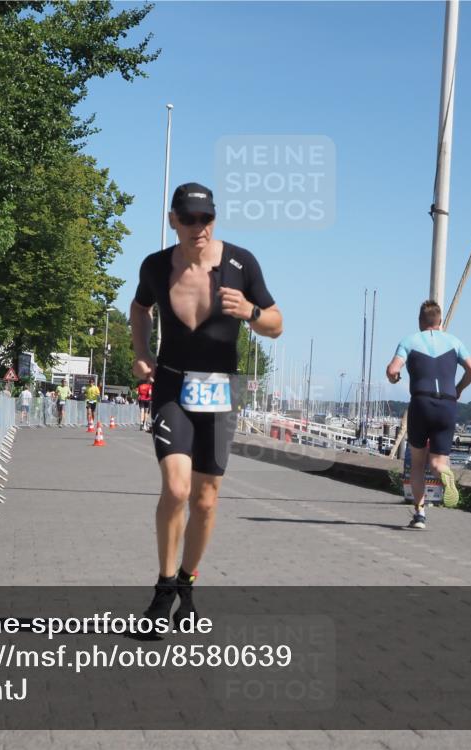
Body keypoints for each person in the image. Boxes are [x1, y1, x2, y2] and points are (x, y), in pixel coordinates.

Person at [130, 182, 282, 627]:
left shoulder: (240, 263)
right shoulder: (157, 267)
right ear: (173, 220)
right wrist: (141, 352)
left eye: (207, 219)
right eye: (190, 219)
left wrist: (251, 312)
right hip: (173, 387)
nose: (200, 227)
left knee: (206, 501)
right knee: (176, 489)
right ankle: (162, 591)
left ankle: (186, 585)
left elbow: (277, 323)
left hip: (220, 391)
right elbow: (140, 309)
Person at [386, 300, 471, 530]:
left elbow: (392, 370)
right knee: (437, 462)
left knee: (417, 463)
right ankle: (445, 472)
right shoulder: (454, 342)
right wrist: (459, 389)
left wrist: (394, 378)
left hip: (421, 402)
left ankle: (420, 515)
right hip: (447, 405)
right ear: (440, 322)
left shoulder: (409, 341)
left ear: (420, 321)